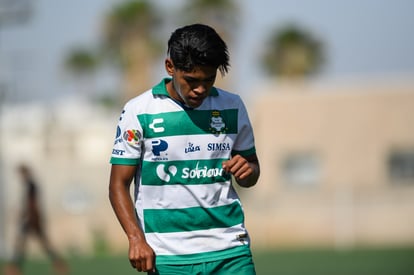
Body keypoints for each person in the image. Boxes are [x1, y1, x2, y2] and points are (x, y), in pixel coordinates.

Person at [109, 23, 260, 275]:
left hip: (231, 252)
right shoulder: (139, 111)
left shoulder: (232, 106)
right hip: (168, 258)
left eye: (208, 80)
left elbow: (252, 173)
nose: (200, 89)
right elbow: (117, 185)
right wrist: (135, 238)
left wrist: (248, 170)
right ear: (170, 67)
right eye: (191, 80)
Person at [5, 164, 68, 275]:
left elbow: (32, 203)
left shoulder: (31, 184)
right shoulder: (29, 184)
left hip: (31, 219)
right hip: (31, 218)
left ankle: (15, 268)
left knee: (24, 243)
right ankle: (58, 263)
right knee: (25, 243)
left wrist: (27, 216)